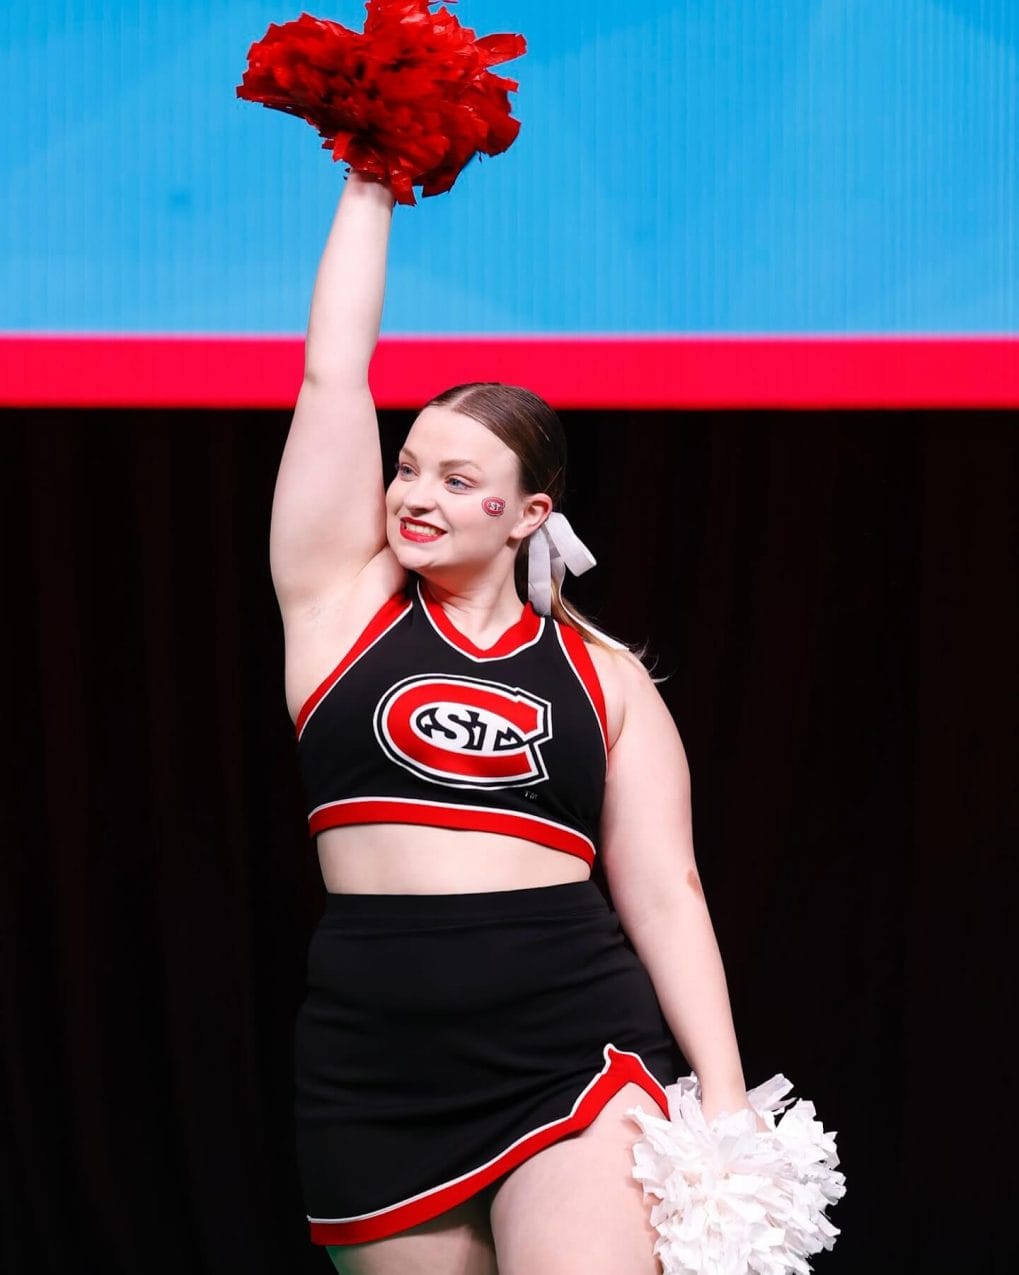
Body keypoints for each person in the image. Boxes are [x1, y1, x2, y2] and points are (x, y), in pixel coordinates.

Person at [271, 171, 761, 1275]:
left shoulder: (605, 676)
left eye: (457, 478)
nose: (415, 495)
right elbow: (331, 371)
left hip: (573, 1047)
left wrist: (723, 1096)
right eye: (406, 468)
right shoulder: (336, 607)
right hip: (375, 1063)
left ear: (530, 515)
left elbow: (664, 893)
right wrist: (370, 178)